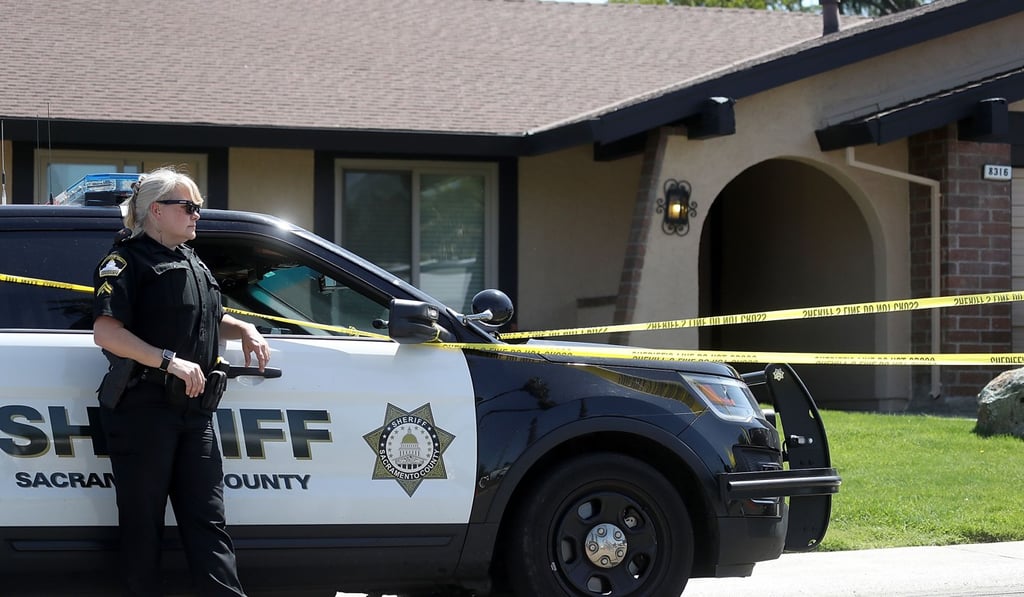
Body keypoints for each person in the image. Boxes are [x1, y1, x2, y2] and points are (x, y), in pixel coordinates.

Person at [92, 167, 270, 596]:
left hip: (195, 412)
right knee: (142, 527)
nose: (197, 215)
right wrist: (169, 361)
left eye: (198, 208)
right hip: (144, 409)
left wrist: (242, 327)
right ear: (156, 210)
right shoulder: (125, 261)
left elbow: (207, 315)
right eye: (188, 207)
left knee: (208, 523)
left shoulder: (192, 260)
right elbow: (106, 332)